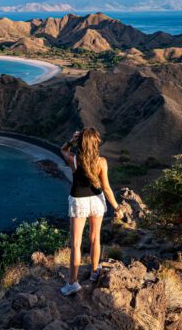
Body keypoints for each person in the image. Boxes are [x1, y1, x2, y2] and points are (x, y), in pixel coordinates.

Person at [59, 127, 123, 296]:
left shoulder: (73, 160)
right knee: (95, 238)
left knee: (76, 244)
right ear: (96, 143)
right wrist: (117, 208)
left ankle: (73, 283)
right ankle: (95, 271)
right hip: (96, 201)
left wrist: (71, 141)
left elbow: (62, 150)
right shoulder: (102, 162)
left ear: (81, 142)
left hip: (79, 201)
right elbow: (107, 188)